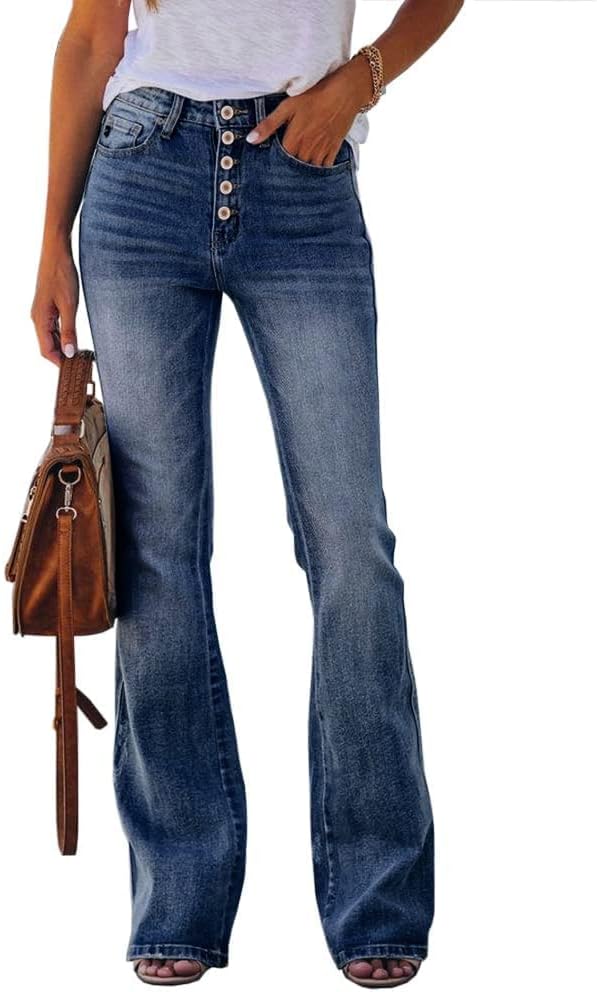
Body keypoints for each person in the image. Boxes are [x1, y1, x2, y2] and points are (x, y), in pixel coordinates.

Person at [30, 0, 464, 986]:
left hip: (303, 177)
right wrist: (52, 235)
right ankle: (178, 896)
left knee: (351, 547)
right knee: (155, 555)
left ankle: (377, 897)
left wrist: (361, 80)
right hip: (141, 175)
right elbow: (92, 37)